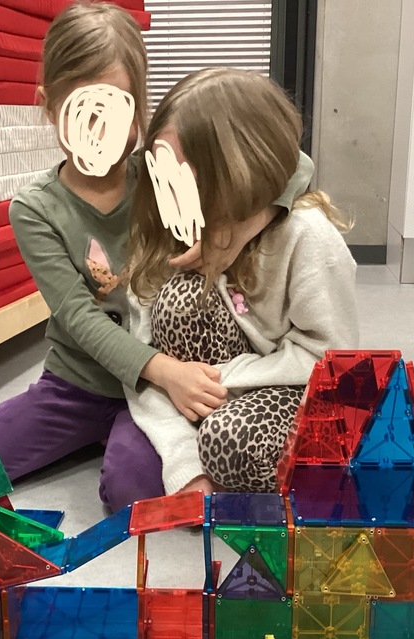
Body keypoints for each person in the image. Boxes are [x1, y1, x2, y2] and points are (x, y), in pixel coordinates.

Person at [0, 2, 313, 510]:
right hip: (78, 387)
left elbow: (294, 164)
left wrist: (245, 222)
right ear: (48, 106)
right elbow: (79, 317)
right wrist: (164, 370)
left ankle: (122, 442)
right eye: (84, 114)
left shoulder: (161, 169)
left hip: (161, 394)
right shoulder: (35, 208)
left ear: (140, 108)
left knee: (133, 491)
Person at [125, 67, 359, 496]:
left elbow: (332, 363)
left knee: (230, 441)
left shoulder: (307, 235)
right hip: (210, 401)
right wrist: (184, 463)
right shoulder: (167, 230)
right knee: (179, 302)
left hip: (290, 394)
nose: (170, 194)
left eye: (187, 179)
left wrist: (218, 379)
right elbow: (145, 361)